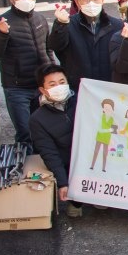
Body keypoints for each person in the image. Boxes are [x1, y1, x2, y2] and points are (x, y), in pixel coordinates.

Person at [0, 0, 51, 145]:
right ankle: (24, 160)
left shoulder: (40, 19)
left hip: (40, 86)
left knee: (42, 130)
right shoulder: (3, 21)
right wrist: (2, 34)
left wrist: (52, 75)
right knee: (25, 132)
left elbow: (48, 49)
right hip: (17, 89)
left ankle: (40, 160)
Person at [47, 0, 122, 91]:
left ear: (102, 0)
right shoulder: (68, 23)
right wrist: (60, 24)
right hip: (79, 88)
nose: (91, 3)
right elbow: (55, 46)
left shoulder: (117, 25)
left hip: (109, 88)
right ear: (77, 2)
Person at [27, 63, 81, 217]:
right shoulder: (37, 119)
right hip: (68, 162)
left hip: (89, 155)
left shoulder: (82, 100)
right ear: (43, 90)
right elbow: (49, 153)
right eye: (52, 84)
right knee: (76, 202)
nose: (59, 87)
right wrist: (62, 183)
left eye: (62, 82)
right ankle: (76, 201)